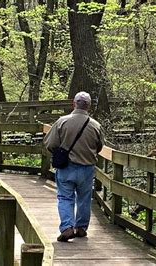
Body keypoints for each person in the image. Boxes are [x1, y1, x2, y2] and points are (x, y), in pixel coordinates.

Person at [44, 91, 104, 242]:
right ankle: (81, 227)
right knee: (84, 198)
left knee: (65, 197)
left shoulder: (62, 121)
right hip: (87, 168)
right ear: (89, 106)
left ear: (74, 103)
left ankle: (67, 227)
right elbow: (100, 146)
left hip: (66, 167)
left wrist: (61, 152)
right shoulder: (95, 125)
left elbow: (50, 144)